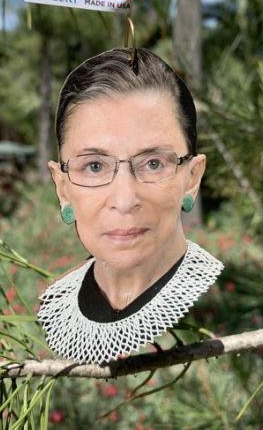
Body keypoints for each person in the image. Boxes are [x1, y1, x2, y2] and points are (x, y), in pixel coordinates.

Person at [37, 47, 224, 364]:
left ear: (192, 178)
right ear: (63, 187)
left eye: (153, 163)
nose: (124, 200)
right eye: (94, 166)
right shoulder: (53, 305)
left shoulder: (223, 311)